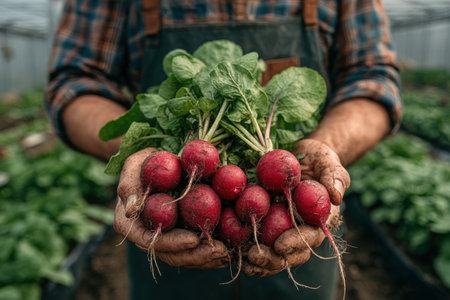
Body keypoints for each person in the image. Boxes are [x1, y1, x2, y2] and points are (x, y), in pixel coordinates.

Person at [45, 0, 401, 299]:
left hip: (291, 217)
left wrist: (324, 148)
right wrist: (152, 157)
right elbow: (75, 82)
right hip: (171, 227)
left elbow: (372, 79)